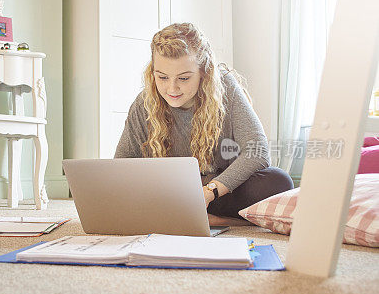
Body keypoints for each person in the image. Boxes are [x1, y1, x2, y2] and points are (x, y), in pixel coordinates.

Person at [114, 22, 293, 222]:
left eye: (183, 78)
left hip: (218, 192)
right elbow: (121, 165)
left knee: (277, 182)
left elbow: (258, 152)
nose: (172, 89)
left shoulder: (225, 87)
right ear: (152, 71)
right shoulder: (144, 102)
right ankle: (203, 218)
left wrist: (208, 192)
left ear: (204, 72)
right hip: (169, 195)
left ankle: (213, 218)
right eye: (162, 77)